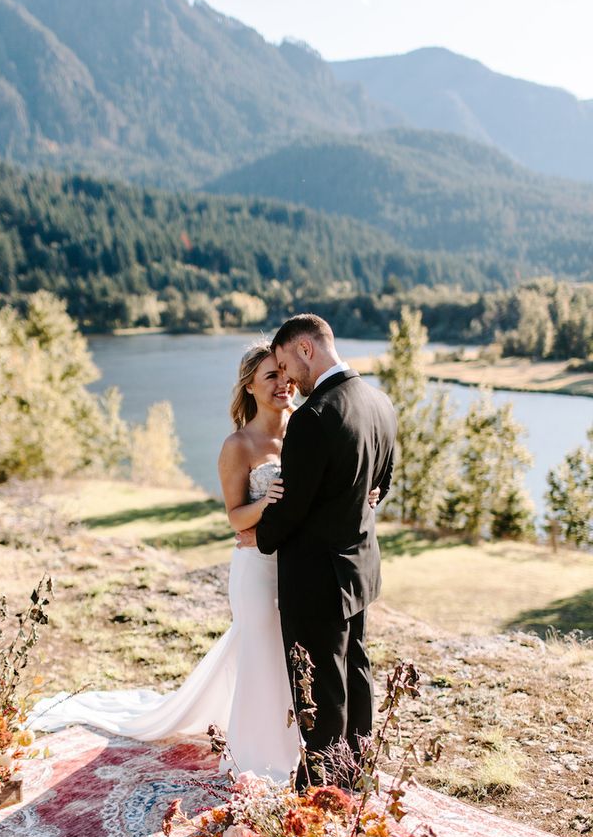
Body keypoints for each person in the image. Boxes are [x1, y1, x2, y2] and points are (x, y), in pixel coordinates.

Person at [28, 342, 301, 781]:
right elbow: (234, 517)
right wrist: (266, 502)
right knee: (259, 656)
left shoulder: (304, 431)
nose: (282, 384)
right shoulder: (239, 444)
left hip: (298, 568)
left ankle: (292, 739)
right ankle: (257, 756)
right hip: (256, 568)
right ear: (249, 386)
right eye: (270, 376)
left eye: (285, 373)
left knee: (284, 656)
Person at [239, 313, 397, 789]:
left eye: (286, 364)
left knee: (319, 687)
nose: (287, 377)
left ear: (306, 349)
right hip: (359, 568)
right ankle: (359, 772)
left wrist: (259, 538)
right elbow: (380, 484)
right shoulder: (380, 402)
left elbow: (293, 507)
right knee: (356, 669)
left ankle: (322, 794)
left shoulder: (314, 416)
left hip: (314, 577)